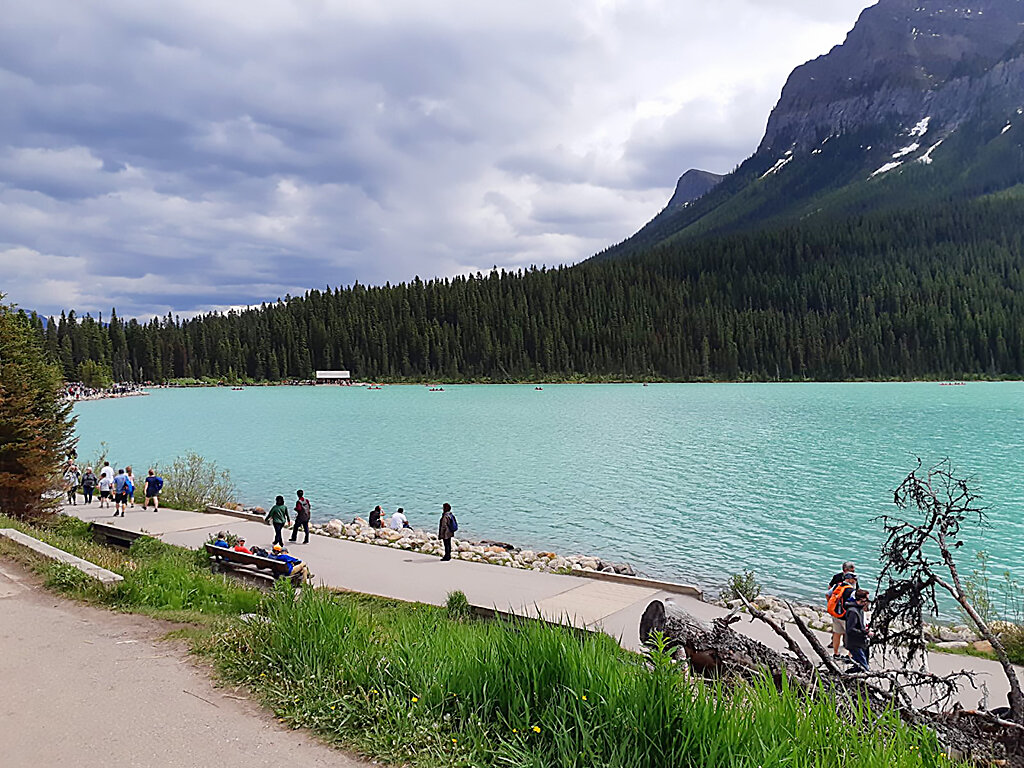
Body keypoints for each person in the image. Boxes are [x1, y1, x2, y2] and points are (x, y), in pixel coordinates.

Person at [827, 562, 858, 658]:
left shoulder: (837, 584)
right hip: (846, 615)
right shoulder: (851, 590)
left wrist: (831, 605)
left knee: (837, 633)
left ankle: (835, 653)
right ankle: (850, 655)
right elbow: (856, 600)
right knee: (851, 635)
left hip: (836, 612)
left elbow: (828, 593)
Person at [844, 589, 873, 671]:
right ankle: (845, 677)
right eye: (866, 600)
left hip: (861, 642)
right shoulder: (853, 612)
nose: (867, 602)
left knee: (858, 666)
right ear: (861, 600)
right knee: (864, 667)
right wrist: (866, 633)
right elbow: (850, 630)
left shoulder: (859, 609)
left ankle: (847, 678)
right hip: (854, 643)